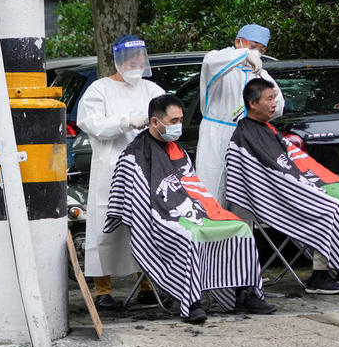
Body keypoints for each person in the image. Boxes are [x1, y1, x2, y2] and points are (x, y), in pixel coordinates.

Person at [106, 94, 277, 323]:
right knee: (188, 235)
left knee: (240, 228)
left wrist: (205, 210)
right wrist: (166, 214)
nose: (179, 126)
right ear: (155, 122)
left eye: (181, 120)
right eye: (174, 121)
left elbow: (193, 186)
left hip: (194, 210)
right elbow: (134, 201)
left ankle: (244, 294)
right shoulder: (133, 155)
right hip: (156, 221)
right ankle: (191, 302)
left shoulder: (178, 150)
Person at [225, 78, 339, 295]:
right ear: (252, 103)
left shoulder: (269, 129)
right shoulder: (243, 136)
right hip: (278, 198)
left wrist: (311, 182)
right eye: (269, 99)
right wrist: (300, 188)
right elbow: (254, 178)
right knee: (330, 208)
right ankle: (320, 275)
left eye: (275, 99)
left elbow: (295, 160)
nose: (275, 104)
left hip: (298, 185)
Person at [77, 35, 164, 310]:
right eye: (132, 60)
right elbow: (93, 125)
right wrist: (125, 121)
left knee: (145, 227)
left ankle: (147, 286)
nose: (138, 64)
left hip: (146, 167)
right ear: (119, 61)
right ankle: (103, 290)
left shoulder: (152, 90)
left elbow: (168, 119)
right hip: (111, 169)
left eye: (141, 59)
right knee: (106, 227)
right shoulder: (99, 90)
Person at [196, 24, 285, 205]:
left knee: (243, 199)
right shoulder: (218, 63)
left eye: (261, 50)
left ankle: (242, 234)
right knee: (211, 193)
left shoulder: (261, 74)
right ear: (238, 42)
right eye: (253, 47)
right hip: (216, 135)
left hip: (248, 138)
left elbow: (278, 107)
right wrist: (245, 54)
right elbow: (210, 61)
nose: (257, 53)